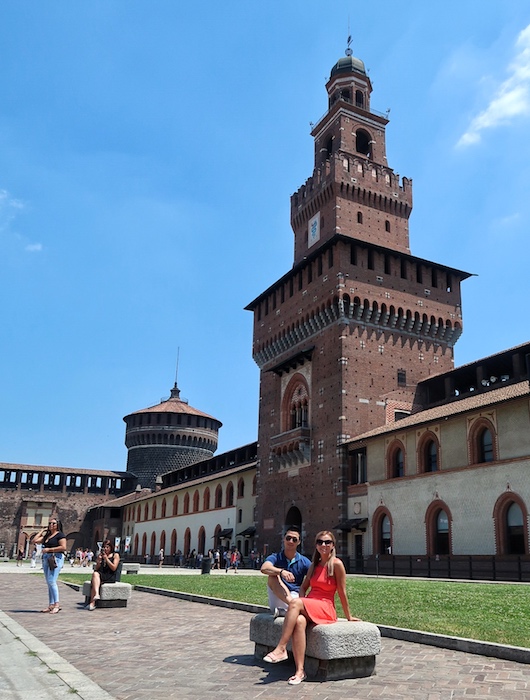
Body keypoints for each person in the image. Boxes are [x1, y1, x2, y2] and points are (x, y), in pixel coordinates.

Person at [263, 530, 360, 685]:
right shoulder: (314, 565)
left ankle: (281, 648)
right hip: (312, 604)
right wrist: (303, 599)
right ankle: (300, 671)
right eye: (320, 542)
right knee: (299, 621)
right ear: (316, 545)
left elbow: (342, 592)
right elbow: (304, 586)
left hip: (326, 607)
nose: (323, 545)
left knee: (295, 603)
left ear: (333, 545)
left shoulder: (336, 564)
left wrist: (349, 616)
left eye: (327, 542)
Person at [260, 528, 311, 616]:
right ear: (284, 539)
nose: (291, 541)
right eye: (288, 538)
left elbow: (315, 576)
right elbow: (264, 568)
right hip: (278, 596)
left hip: (295, 595)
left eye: (294, 539)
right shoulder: (276, 557)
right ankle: (293, 606)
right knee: (272, 576)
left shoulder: (304, 561)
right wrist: (281, 572)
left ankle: (287, 611)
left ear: (298, 542)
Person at [33, 516, 67, 614]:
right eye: (49, 523)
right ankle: (51, 605)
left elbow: (63, 547)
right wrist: (42, 531)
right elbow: (34, 541)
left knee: (52, 581)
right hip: (46, 559)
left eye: (53, 523)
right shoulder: (47, 536)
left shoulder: (60, 535)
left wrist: (49, 549)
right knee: (49, 582)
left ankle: (57, 604)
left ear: (58, 525)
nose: (51, 525)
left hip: (55, 558)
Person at [87, 540, 120, 611]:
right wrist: (98, 561)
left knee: (95, 581)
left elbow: (114, 568)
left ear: (111, 547)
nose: (106, 549)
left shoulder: (115, 555)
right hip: (101, 574)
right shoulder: (101, 555)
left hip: (110, 575)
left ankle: (92, 603)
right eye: (104, 547)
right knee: (95, 575)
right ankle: (96, 595)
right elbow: (97, 568)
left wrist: (106, 559)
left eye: (107, 547)